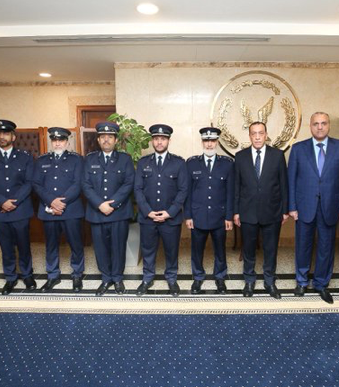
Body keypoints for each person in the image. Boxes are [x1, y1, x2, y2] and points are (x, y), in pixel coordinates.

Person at [288, 111, 339, 304]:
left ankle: (321, 284)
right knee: (303, 245)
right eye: (315, 123)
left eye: (323, 123)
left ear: (329, 125)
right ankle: (301, 281)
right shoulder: (298, 149)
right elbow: (291, 180)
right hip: (304, 206)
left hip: (330, 206)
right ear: (310, 126)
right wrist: (292, 206)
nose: (320, 127)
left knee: (326, 247)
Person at [0, 120, 36, 295]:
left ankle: (27, 275)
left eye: (5, 133)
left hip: (20, 209)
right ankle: (10, 277)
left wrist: (14, 202)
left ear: (13, 136)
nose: (1, 137)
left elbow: (29, 182)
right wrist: (2, 202)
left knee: (24, 245)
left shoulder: (25, 156)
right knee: (5, 247)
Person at [234, 121, 288, 299]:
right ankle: (249, 281)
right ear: (249, 136)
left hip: (272, 211)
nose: (257, 137)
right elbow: (236, 186)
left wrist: (285, 210)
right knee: (248, 249)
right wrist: (236, 212)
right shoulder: (240, 156)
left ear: (266, 135)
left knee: (270, 249)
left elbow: (283, 184)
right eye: (254, 133)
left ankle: (269, 281)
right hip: (247, 211)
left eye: (261, 133)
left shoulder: (278, 155)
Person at [134, 124, 188, 297]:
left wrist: (170, 212)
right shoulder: (143, 162)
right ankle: (147, 278)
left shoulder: (179, 163)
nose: (159, 142)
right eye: (156, 138)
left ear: (169, 141)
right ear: (152, 141)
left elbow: (183, 190)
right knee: (148, 250)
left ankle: (171, 278)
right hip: (148, 217)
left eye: (163, 139)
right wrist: (147, 211)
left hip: (170, 218)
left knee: (171, 250)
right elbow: (137, 189)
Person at [82, 121, 135, 296]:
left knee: (118, 247)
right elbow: (85, 184)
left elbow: (129, 183)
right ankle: (106, 279)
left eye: (110, 137)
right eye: (103, 137)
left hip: (119, 212)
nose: (106, 140)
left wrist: (112, 204)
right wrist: (100, 204)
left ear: (115, 140)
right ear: (98, 140)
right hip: (96, 212)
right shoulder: (90, 159)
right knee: (100, 248)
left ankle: (117, 279)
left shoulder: (125, 159)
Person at [33, 127, 85, 292]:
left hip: (71, 209)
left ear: (67, 142)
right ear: (51, 142)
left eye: (61, 140)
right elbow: (36, 184)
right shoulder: (41, 160)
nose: (57, 143)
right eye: (54, 140)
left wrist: (62, 202)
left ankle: (77, 274)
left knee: (76, 244)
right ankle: (53, 275)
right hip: (49, 210)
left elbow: (78, 183)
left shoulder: (77, 160)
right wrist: (51, 201)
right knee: (51, 245)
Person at [185, 127, 234, 294]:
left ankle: (220, 277)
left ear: (217, 142)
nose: (209, 144)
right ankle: (198, 277)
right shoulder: (192, 163)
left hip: (219, 216)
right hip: (197, 215)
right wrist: (188, 216)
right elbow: (188, 192)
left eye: (212, 140)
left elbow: (230, 192)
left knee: (220, 249)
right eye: (206, 141)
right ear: (202, 142)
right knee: (197, 250)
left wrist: (229, 216)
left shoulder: (227, 164)